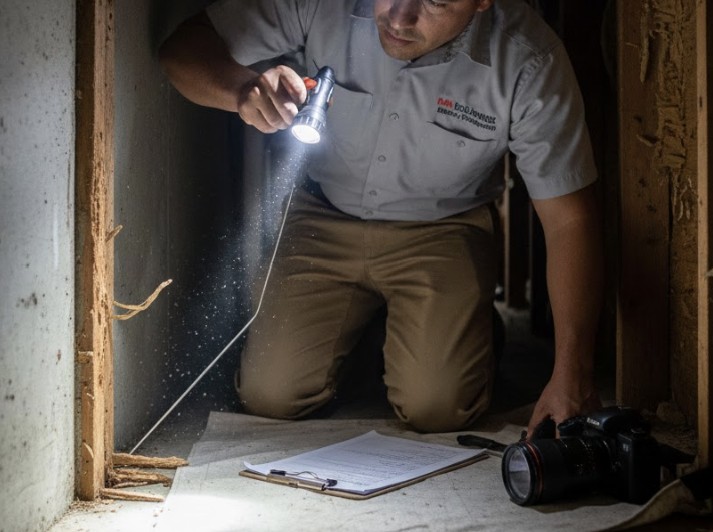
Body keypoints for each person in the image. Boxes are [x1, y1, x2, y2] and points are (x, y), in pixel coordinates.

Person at [159, 0, 604, 436]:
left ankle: (474, 328)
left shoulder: (528, 58)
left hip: (442, 229)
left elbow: (569, 221)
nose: (401, 17)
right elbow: (183, 48)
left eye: (435, 3)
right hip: (323, 215)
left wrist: (572, 371)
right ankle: (377, 334)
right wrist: (241, 90)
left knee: (437, 407)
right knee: (270, 396)